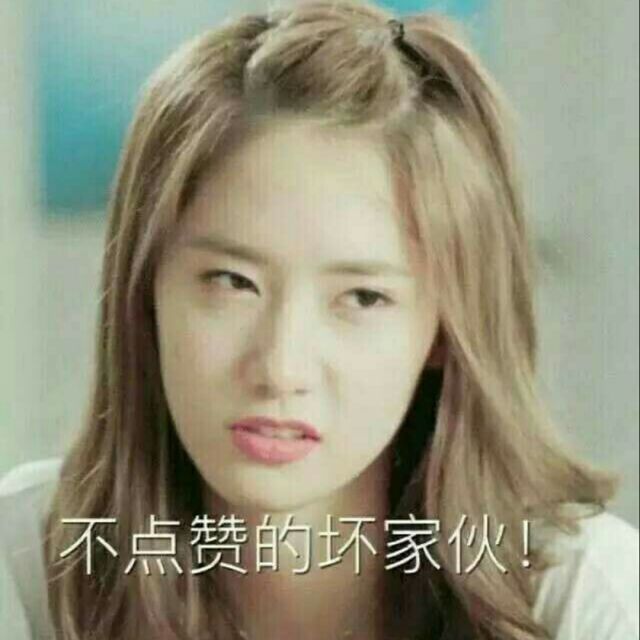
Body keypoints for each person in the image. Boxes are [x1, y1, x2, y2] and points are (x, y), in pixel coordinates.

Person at [0, 1, 638, 639]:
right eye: (233, 282)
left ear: (445, 330)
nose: (281, 368)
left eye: (362, 298)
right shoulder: (29, 562)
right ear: (146, 292)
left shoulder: (581, 600)